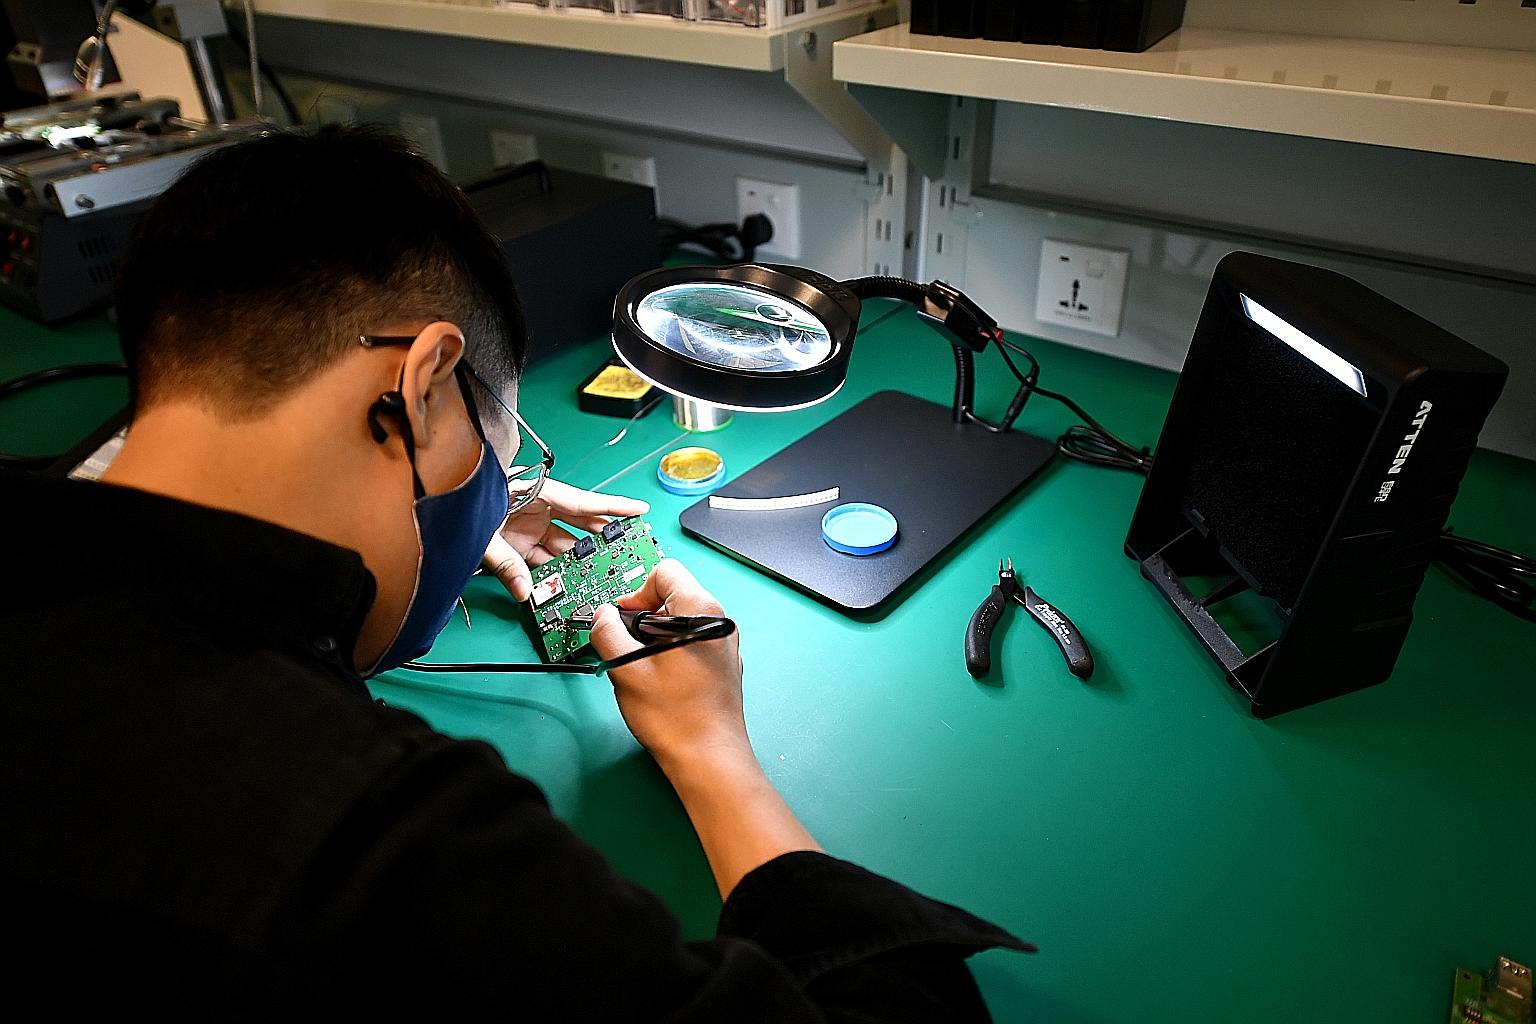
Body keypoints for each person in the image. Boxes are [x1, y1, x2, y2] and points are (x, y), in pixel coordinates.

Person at [1, 126, 1029, 1018]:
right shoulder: (388, 845)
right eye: (502, 451)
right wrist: (713, 751)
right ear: (424, 384)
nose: (502, 490)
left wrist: (441, 511)